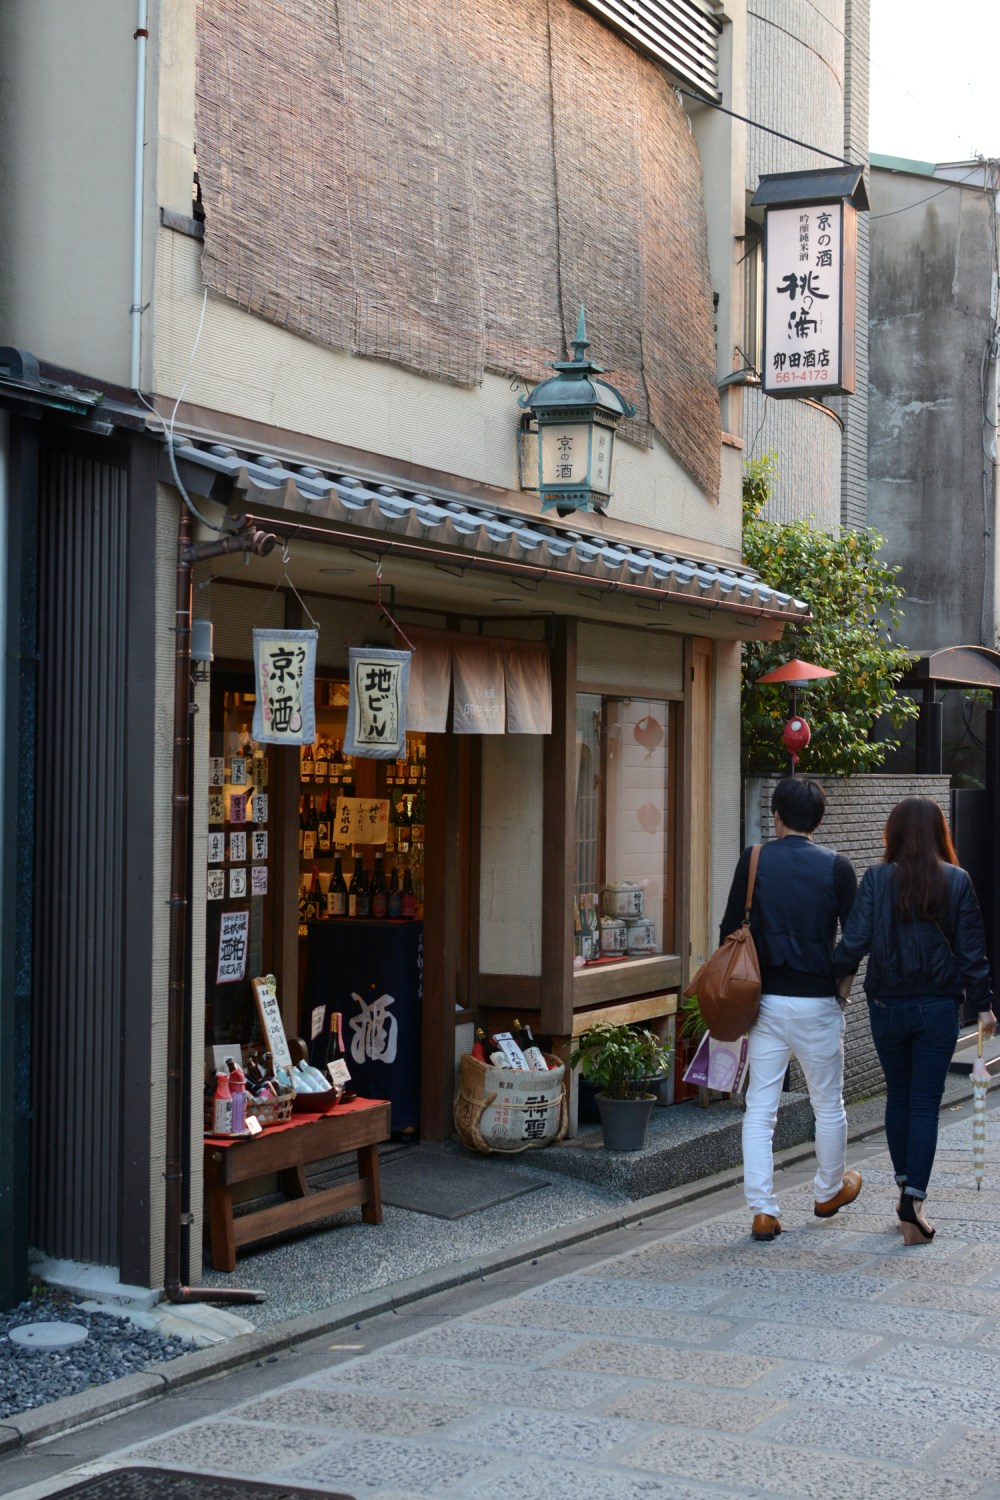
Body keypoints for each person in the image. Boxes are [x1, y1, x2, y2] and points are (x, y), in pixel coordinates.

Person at [833, 796, 996, 1244]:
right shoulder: (958, 881)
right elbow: (971, 951)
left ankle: (906, 1187)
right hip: (938, 1008)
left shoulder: (877, 878)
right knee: (925, 1102)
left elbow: (855, 942)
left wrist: (825, 975)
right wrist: (983, 1005)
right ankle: (914, 1204)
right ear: (940, 833)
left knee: (898, 1096)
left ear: (894, 833)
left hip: (886, 1006)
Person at [720, 777, 860, 1241]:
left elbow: (727, 929)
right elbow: (855, 936)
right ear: (818, 821)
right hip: (818, 1001)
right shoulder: (837, 867)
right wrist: (834, 973)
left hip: (766, 1002)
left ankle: (763, 1209)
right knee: (828, 1104)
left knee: (761, 1106)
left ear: (776, 815)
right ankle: (826, 1191)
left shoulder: (754, 859)